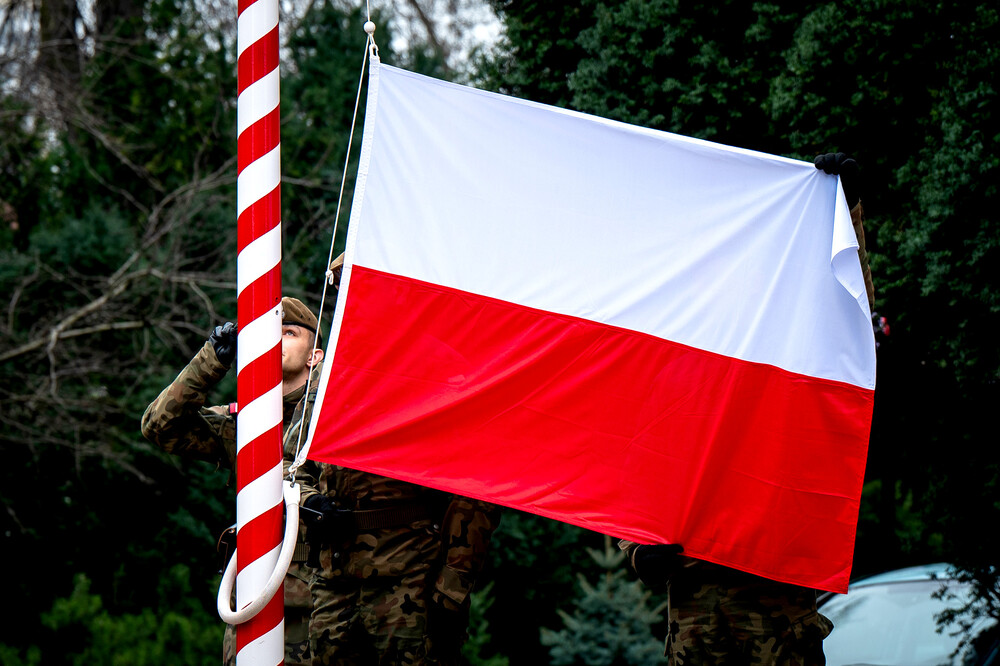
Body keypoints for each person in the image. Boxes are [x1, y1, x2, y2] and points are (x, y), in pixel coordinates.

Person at [620, 152, 875, 665]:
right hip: (697, 618)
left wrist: (848, 214)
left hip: (779, 612)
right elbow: (641, 462)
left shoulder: (795, 360)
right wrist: (637, 549)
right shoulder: (677, 367)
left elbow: (850, 318)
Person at [141, 295, 326, 666]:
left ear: (314, 355)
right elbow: (159, 426)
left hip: (323, 603)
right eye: (269, 333)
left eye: (289, 333)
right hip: (252, 598)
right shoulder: (245, 424)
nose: (276, 340)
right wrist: (212, 359)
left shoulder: (334, 413)